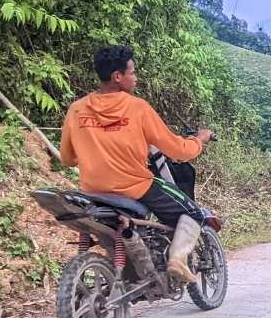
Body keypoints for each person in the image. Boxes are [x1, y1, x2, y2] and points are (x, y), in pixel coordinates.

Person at [59, 45, 214, 284]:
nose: (136, 78)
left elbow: (68, 159)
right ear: (117, 76)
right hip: (135, 187)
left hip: (92, 191)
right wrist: (199, 139)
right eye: (132, 73)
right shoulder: (137, 108)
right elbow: (180, 151)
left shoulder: (76, 109)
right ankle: (177, 260)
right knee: (193, 212)